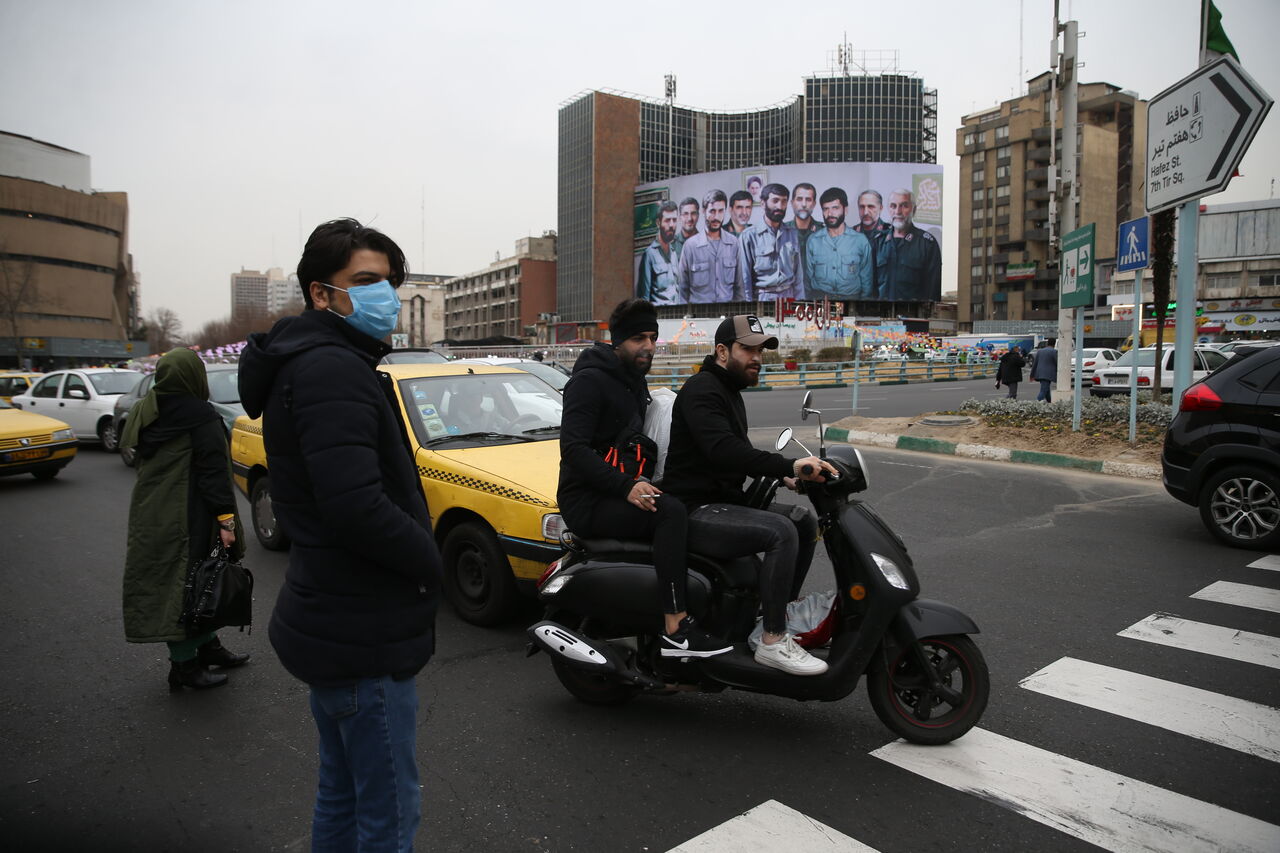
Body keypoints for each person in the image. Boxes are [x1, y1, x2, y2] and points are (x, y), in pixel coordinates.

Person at [238, 218, 442, 852]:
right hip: (362, 630)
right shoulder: (333, 369)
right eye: (366, 281)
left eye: (389, 282)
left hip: (332, 616)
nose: (384, 294)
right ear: (320, 294)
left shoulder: (315, 361)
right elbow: (356, 506)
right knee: (388, 810)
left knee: (343, 790)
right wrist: (427, 560)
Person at [663, 315, 836, 676]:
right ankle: (773, 641)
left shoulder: (727, 390)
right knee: (780, 532)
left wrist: (788, 477)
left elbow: (739, 451)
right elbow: (722, 450)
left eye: (760, 350)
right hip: (696, 509)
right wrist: (788, 465)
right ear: (722, 351)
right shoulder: (702, 390)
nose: (757, 357)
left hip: (722, 501)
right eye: (748, 349)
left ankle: (775, 613)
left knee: (802, 521)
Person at [558, 299, 731, 658]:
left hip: (617, 487)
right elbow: (573, 450)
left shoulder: (632, 381)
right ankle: (675, 625)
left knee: (683, 500)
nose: (649, 346)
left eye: (653, 337)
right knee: (670, 512)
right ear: (617, 340)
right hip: (586, 500)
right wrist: (627, 486)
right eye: (639, 338)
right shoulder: (589, 382)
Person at [122, 347, 249, 691]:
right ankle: (185, 667)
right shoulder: (200, 416)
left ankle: (207, 646)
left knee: (182, 580)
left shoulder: (144, 410)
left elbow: (130, 449)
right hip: (191, 512)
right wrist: (227, 522)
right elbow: (212, 474)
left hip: (152, 511)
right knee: (190, 583)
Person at [739, 183, 805, 301]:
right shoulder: (749, 236)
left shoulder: (792, 234)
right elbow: (745, 280)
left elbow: (798, 277)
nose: (780, 206)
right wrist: (749, 307)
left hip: (788, 296)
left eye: (784, 201)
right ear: (763, 203)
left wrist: (800, 303)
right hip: (763, 297)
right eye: (775, 201)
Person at [805, 187, 874, 300]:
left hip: (851, 300)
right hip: (820, 300)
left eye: (835, 208)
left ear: (845, 210)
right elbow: (807, 279)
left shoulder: (860, 241)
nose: (830, 213)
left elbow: (867, 281)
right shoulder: (813, 241)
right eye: (825, 209)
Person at [873, 189, 942, 302]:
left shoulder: (927, 244)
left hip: (912, 316)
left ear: (913, 210)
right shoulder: (877, 243)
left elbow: (933, 291)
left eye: (904, 206)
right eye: (893, 206)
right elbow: (870, 287)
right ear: (888, 209)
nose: (898, 211)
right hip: (881, 315)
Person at [676, 189, 743, 303]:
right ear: (704, 211)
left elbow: (740, 287)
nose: (716, 216)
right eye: (712, 211)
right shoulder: (690, 246)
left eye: (720, 211)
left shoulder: (734, 243)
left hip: (727, 314)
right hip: (699, 316)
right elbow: (682, 290)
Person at [638, 201, 681, 306]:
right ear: (658, 223)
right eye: (667, 220)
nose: (671, 225)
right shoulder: (649, 255)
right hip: (658, 316)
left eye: (674, 220)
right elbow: (644, 297)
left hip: (676, 316)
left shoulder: (674, 254)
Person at [786, 182, 821, 273]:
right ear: (792, 203)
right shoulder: (782, 231)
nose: (804, 204)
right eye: (799, 199)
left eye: (808, 199)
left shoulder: (824, 232)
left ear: (814, 204)